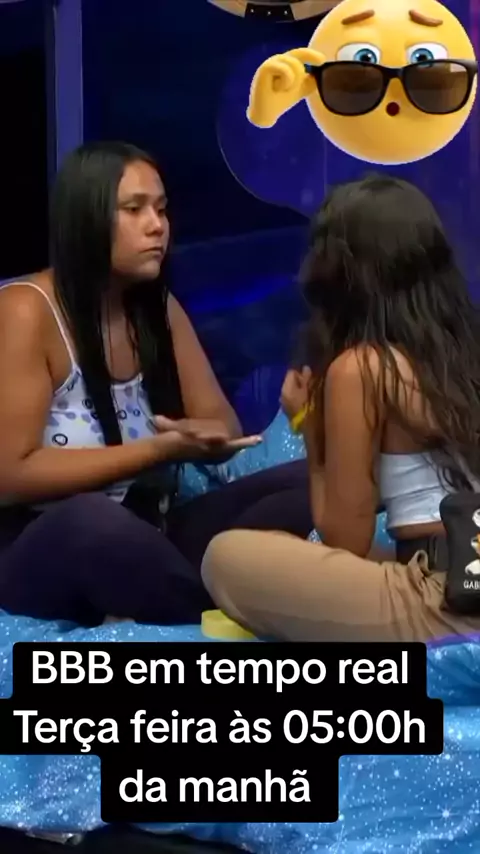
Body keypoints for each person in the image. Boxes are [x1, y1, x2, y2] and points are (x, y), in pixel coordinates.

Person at [0, 140, 313, 627]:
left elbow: (222, 425)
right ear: (86, 219)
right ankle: (212, 613)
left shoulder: (156, 307)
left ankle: (220, 593)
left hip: (150, 532)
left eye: (162, 210)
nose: (157, 226)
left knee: (308, 481)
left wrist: (203, 438)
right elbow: (10, 476)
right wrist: (156, 451)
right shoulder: (25, 309)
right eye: (135, 209)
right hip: (40, 545)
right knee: (91, 520)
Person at [201, 173, 480, 643]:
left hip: (442, 599)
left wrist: (311, 429)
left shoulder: (363, 368)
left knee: (224, 556)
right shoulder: (467, 354)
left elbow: (345, 540)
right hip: (458, 571)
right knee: (291, 547)